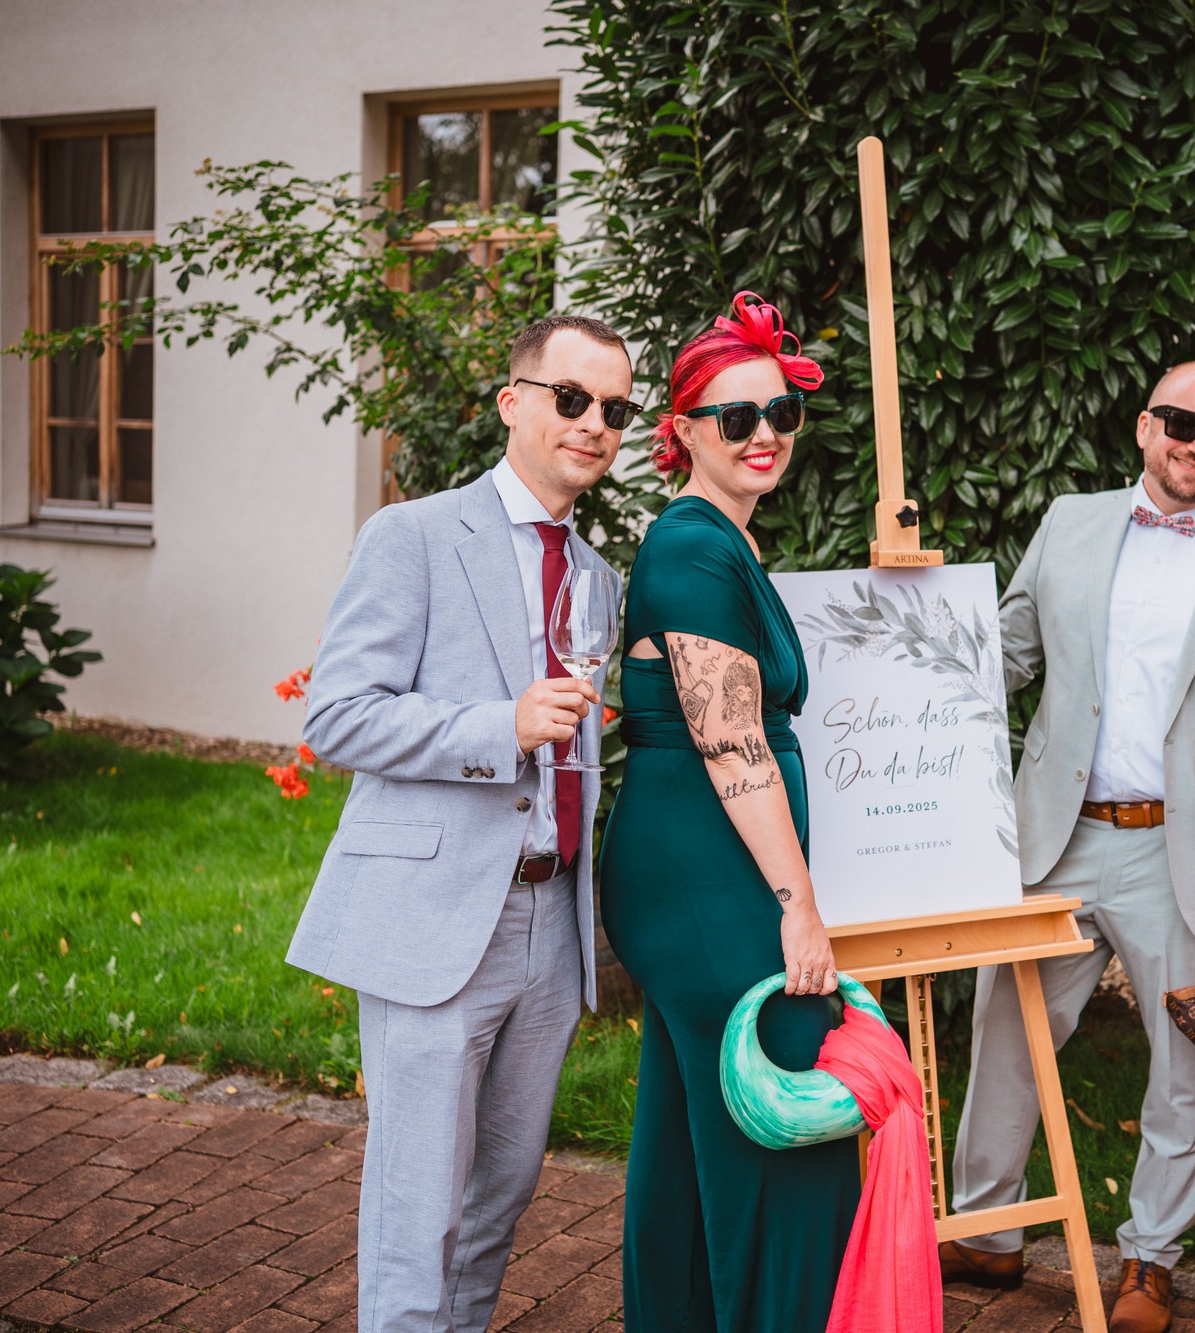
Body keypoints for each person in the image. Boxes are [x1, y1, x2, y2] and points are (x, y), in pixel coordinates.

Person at [944, 362, 1195, 1333]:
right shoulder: (1069, 522)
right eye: (1185, 423)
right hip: (1056, 837)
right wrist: (909, 625)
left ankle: (1151, 1257)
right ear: (1146, 424)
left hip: (1191, 856)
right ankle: (986, 1226)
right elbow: (1005, 655)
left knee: (1186, 1066)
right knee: (1005, 1032)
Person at [287, 314, 632, 1333]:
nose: (594, 422)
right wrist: (500, 727)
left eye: (615, 407)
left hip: (550, 924)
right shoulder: (415, 536)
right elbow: (337, 716)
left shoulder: (598, 577)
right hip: (435, 917)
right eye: (571, 397)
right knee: (418, 1208)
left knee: (500, 1196)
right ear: (512, 402)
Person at [598, 292, 858, 1332]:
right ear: (685, 432)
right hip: (707, 875)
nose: (764, 434)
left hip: (700, 868)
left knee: (695, 1123)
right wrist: (798, 906)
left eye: (780, 413)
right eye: (736, 416)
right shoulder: (692, 548)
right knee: (788, 1122)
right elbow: (733, 744)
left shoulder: (721, 541)